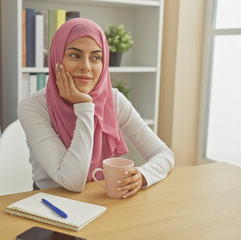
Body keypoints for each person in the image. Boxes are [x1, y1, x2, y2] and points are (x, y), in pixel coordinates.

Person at [18, 18, 174, 198]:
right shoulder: (33, 107)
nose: (86, 66)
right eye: (75, 55)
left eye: (96, 57)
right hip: (49, 204)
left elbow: (164, 154)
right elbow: (72, 181)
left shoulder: (112, 99)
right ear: (56, 58)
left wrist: (143, 175)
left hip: (100, 198)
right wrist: (84, 107)